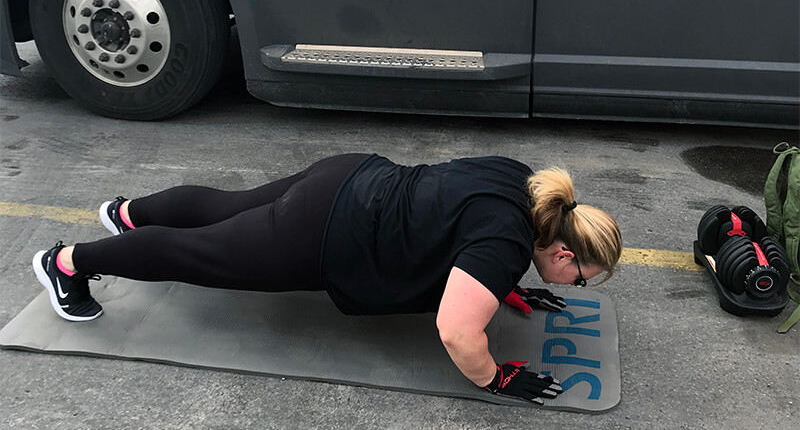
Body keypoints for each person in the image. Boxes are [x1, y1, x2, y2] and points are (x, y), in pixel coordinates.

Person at [32, 153, 622, 404]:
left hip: (349, 177)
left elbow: (460, 221)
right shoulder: (505, 244)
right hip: (324, 233)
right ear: (565, 254)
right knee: (198, 255)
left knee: (224, 208)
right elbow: (456, 332)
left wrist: (504, 286)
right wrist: (495, 380)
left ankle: (129, 213)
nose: (569, 287)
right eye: (578, 279)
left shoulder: (525, 185)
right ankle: (67, 263)